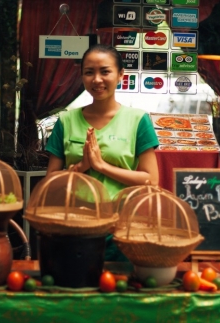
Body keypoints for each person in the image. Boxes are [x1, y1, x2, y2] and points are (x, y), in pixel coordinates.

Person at [45, 43, 160, 261]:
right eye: (89, 72)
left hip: (122, 227)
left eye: (105, 71)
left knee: (119, 288)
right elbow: (51, 183)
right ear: (82, 77)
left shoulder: (138, 120)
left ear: (120, 75)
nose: (97, 79)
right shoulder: (66, 121)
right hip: (75, 226)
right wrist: (81, 167)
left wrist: (101, 167)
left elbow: (151, 180)